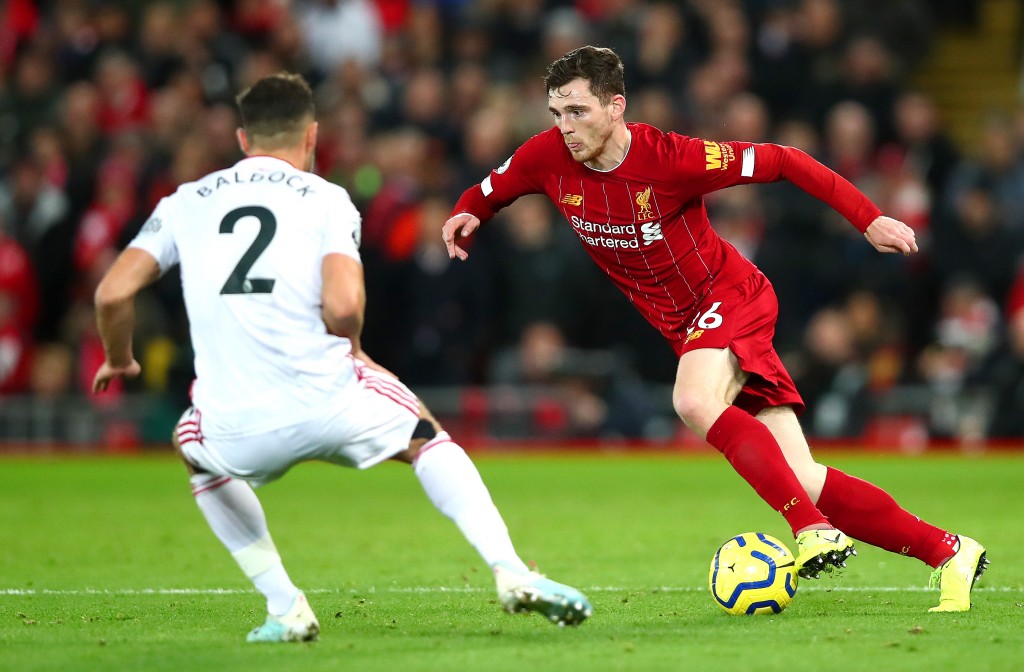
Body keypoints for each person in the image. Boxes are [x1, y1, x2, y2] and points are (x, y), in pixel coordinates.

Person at [442, 46, 988, 612]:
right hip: (689, 328)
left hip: (732, 297)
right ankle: (949, 552)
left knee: (693, 399)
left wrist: (867, 218)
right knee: (799, 474)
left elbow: (784, 160)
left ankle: (811, 530)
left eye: (577, 111)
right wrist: (466, 213)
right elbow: (491, 190)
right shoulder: (546, 156)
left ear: (615, 106)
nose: (565, 127)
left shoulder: (674, 159)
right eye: (556, 113)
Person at [91, 72, 591, 643]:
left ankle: (285, 607)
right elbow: (345, 303)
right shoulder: (326, 199)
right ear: (311, 137)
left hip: (237, 424)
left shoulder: (185, 203)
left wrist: (119, 357)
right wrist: (353, 350)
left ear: (241, 138)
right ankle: (510, 570)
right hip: (329, 398)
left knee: (193, 445)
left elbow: (111, 292)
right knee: (426, 437)